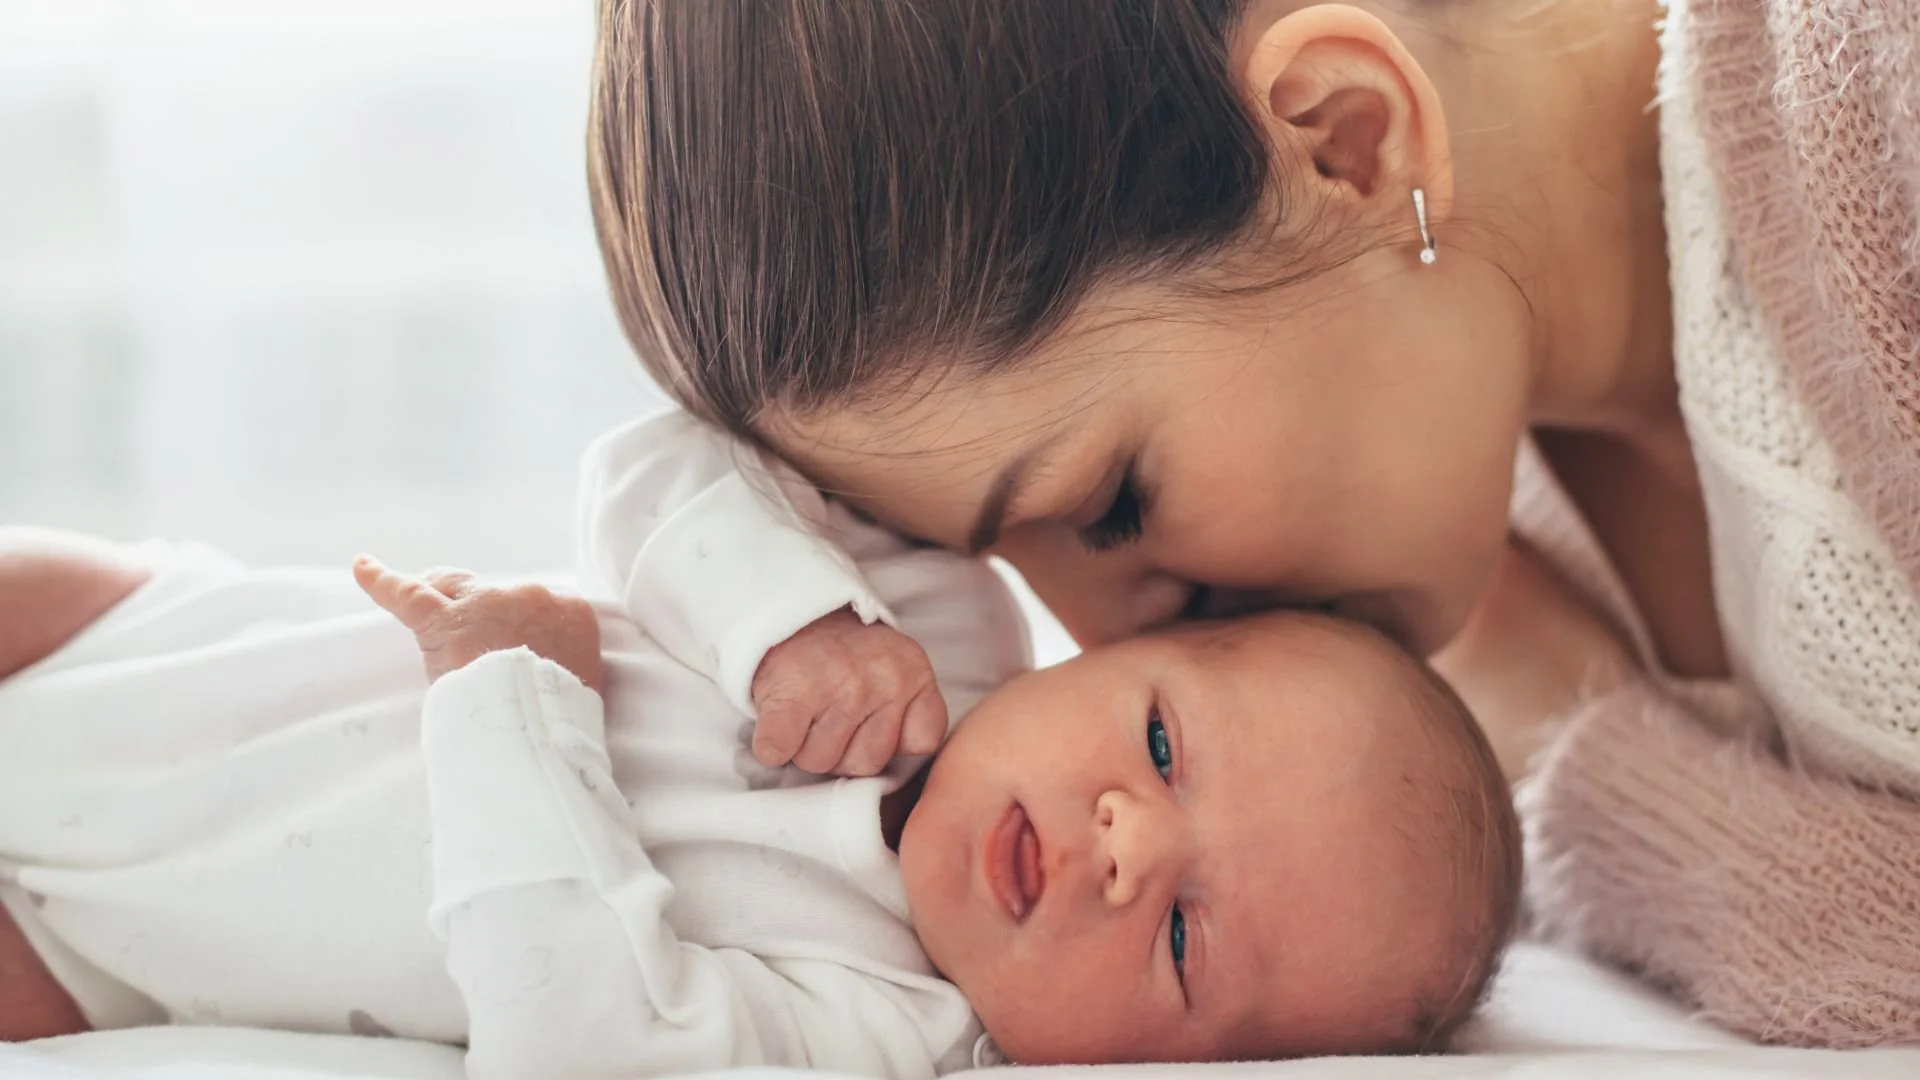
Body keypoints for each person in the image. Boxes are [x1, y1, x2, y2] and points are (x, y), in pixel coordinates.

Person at [586, 0, 1920, 1047]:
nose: (1095, 637)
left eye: (1112, 502)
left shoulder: (1880, 103)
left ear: (1347, 134)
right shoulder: (1451, 536)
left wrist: (1571, 747)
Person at [0, 411, 1519, 1071]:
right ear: (1118, 648)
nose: (1128, 843)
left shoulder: (872, 1027)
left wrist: (511, 698)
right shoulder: (931, 609)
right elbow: (658, 462)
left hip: (106, 954)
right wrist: (788, 622)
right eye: (1171, 749)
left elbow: (583, 1048)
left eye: (1188, 943)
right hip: (162, 644)